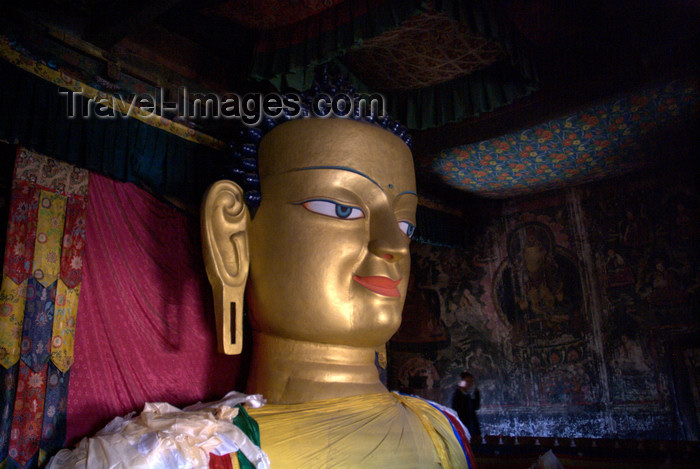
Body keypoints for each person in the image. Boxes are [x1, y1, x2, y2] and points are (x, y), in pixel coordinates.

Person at [452, 371, 481, 445]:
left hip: (471, 428)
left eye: (471, 381)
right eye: (467, 381)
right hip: (464, 429)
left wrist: (476, 393)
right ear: (461, 382)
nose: (469, 384)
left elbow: (475, 407)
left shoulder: (466, 395)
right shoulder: (458, 396)